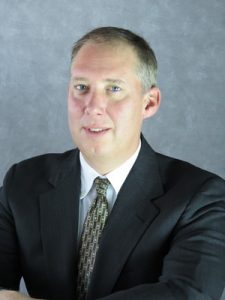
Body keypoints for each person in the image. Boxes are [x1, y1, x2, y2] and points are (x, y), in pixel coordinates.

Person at [0, 26, 225, 300]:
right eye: (81, 87)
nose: (93, 106)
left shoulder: (200, 197)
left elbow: (188, 295)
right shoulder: (22, 181)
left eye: (114, 88)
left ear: (149, 103)